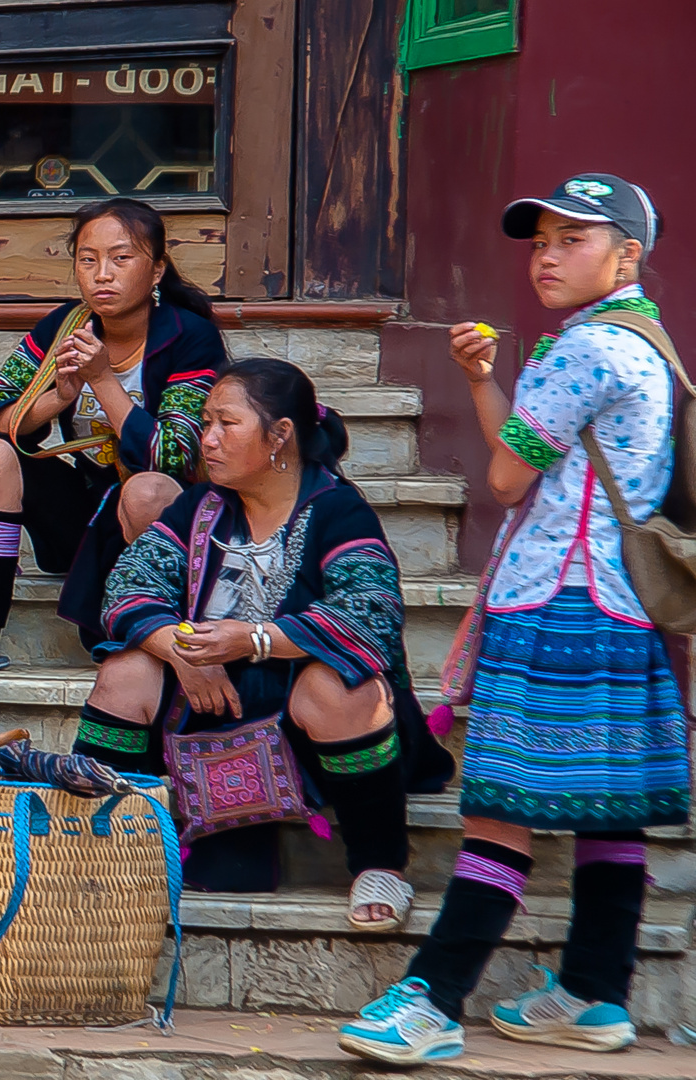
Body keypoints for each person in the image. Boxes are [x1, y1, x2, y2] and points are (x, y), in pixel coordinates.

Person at [340, 175, 687, 1064]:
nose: (547, 256)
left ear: (627, 254)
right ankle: (594, 994)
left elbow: (502, 481)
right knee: (609, 814)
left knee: (497, 810)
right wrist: (481, 378)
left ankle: (433, 1001)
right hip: (620, 606)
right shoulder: (644, 341)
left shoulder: (583, 351)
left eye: (572, 239)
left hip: (555, 604)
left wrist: (511, 386)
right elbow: (525, 460)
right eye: (540, 242)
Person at [78, 359, 454, 912]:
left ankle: (379, 865)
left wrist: (252, 641)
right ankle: (100, 845)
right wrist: (183, 654)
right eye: (206, 423)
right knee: (124, 673)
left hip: (311, 730)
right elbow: (127, 590)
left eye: (226, 424)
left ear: (280, 436)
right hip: (213, 704)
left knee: (339, 686)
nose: (207, 440)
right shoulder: (198, 508)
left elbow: (369, 614)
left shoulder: (336, 511)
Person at [0, 197, 228, 673]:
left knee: (144, 488)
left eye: (121, 258)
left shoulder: (190, 337)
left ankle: (153, 627)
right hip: (86, 510)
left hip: (164, 521)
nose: (102, 274)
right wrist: (55, 399)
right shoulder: (66, 326)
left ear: (155, 271)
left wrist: (104, 381)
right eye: (87, 260)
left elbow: (174, 457)